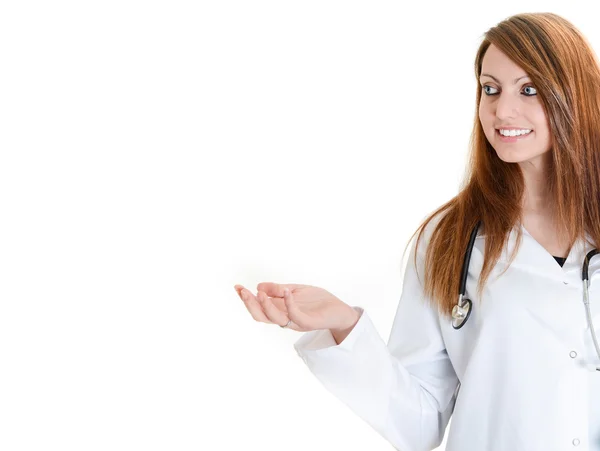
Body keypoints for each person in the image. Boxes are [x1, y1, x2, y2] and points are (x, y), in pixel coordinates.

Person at [234, 12, 600, 451]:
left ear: (575, 94)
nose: (502, 110)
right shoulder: (452, 238)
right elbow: (420, 423)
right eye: (490, 89)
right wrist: (344, 326)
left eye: (529, 89)